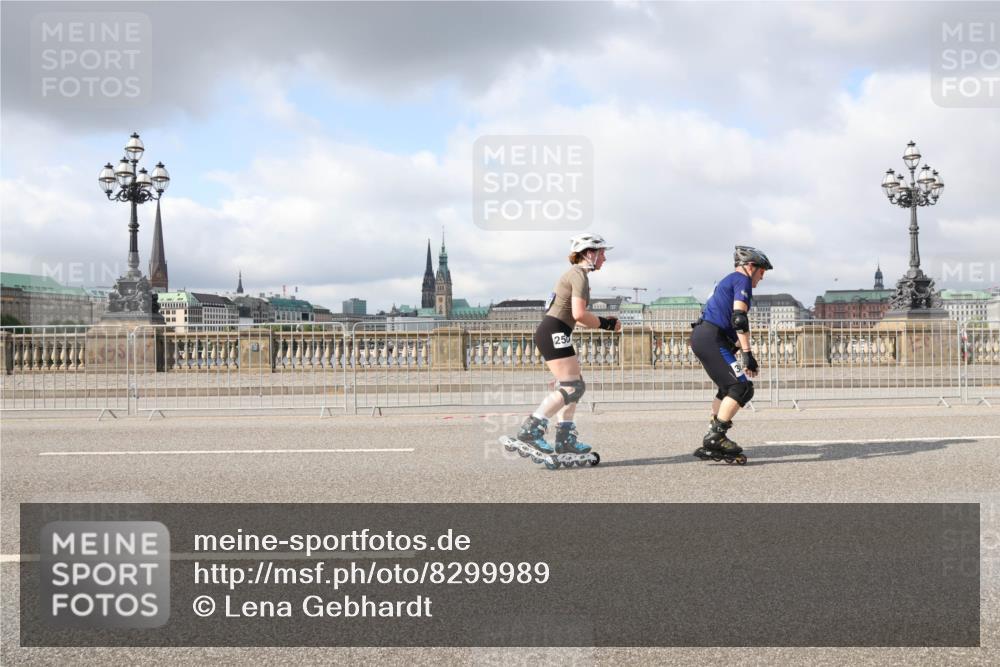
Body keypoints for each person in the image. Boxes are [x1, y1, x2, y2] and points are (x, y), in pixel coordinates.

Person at [512, 233, 621, 465]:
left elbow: (576, 318)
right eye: (602, 253)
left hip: (554, 330)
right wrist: (608, 323)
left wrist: (603, 323)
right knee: (573, 387)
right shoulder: (579, 275)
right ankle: (532, 429)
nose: (604, 258)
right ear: (589, 253)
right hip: (554, 332)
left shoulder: (575, 275)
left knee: (574, 386)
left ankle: (565, 437)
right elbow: (579, 314)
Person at [689, 245, 773, 463]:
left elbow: (728, 320)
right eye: (762, 272)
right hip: (711, 338)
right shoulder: (741, 280)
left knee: (728, 387)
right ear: (751, 266)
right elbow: (739, 319)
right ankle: (716, 437)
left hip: (705, 336)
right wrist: (747, 354)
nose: (762, 278)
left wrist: (736, 350)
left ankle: (713, 432)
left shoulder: (727, 281)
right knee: (741, 387)